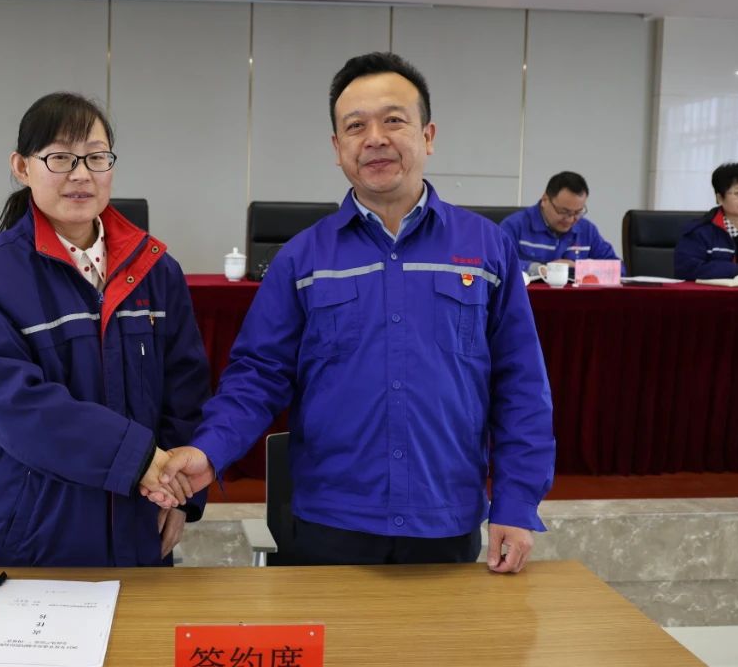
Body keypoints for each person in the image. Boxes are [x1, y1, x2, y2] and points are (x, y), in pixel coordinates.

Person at [149, 52, 555, 573]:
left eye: (393, 120)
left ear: (428, 135)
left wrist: (516, 504)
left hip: (445, 516)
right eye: (355, 126)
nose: (375, 139)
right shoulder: (302, 258)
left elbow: (520, 385)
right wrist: (208, 451)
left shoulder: (487, 248)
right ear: (337, 147)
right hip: (330, 521)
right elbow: (258, 375)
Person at [0, 91, 210, 568]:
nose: (81, 174)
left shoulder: (157, 270)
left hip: (140, 518)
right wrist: (140, 460)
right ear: (21, 167)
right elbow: (15, 406)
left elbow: (186, 392)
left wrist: (183, 495)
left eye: (95, 156)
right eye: (60, 157)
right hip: (30, 531)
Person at [499, 171, 620, 277]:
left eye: (578, 212)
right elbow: (499, 262)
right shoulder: (514, 225)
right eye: (564, 212)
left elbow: (618, 269)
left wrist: (578, 268)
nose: (570, 219)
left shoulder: (587, 230)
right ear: (545, 200)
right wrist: (540, 269)